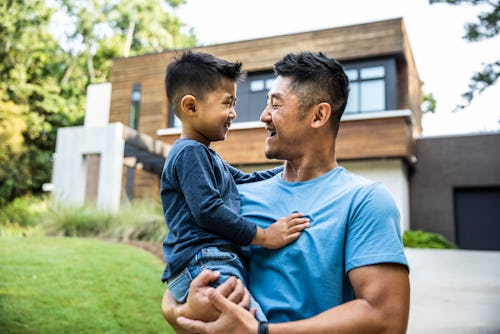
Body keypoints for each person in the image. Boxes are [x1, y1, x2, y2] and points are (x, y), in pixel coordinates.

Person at [161, 51, 410, 334]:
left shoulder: (365, 201)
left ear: (318, 115)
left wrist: (261, 332)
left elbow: (387, 318)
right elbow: (186, 263)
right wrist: (180, 310)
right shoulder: (235, 196)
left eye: (275, 105)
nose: (263, 116)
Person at [160, 50, 311, 322]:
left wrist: (293, 164)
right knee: (255, 326)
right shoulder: (189, 153)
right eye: (227, 103)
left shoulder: (205, 155)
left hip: (212, 262)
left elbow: (244, 180)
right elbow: (208, 210)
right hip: (206, 263)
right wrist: (264, 236)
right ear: (191, 107)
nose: (233, 113)